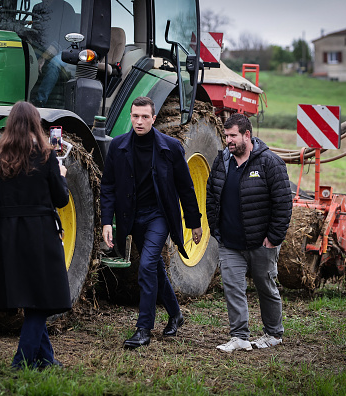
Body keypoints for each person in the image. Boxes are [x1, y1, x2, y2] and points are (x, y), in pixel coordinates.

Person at [100, 96, 203, 349]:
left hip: (159, 216)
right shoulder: (119, 146)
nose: (139, 121)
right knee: (154, 267)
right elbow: (108, 187)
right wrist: (106, 222)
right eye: (135, 116)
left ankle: (144, 329)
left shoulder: (171, 147)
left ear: (153, 118)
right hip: (132, 218)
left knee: (145, 266)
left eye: (145, 116)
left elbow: (186, 188)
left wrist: (194, 222)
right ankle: (176, 314)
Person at [0, 101, 71, 369]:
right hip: (40, 232)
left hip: (9, 235)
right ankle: (20, 362)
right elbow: (61, 199)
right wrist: (62, 174)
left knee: (31, 297)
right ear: (36, 123)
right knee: (43, 300)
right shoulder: (46, 157)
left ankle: (46, 360)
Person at [206, 113, 292, 352]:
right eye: (226, 135)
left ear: (247, 135)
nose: (228, 140)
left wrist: (274, 238)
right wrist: (216, 229)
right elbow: (211, 194)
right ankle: (240, 337)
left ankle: (273, 334)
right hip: (230, 242)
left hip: (261, 243)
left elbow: (283, 203)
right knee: (233, 288)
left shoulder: (269, 162)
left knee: (266, 286)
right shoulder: (222, 161)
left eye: (233, 135)